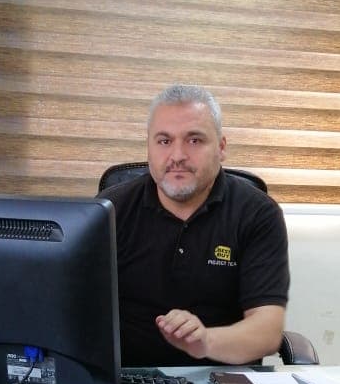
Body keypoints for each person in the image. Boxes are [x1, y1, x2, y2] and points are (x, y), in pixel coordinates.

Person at [99, 83, 290, 367]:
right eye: (164, 141)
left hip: (221, 380)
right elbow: (76, 309)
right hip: (126, 380)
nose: (177, 155)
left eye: (194, 140)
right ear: (148, 146)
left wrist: (205, 342)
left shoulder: (258, 214)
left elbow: (267, 332)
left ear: (221, 148)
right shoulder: (110, 210)